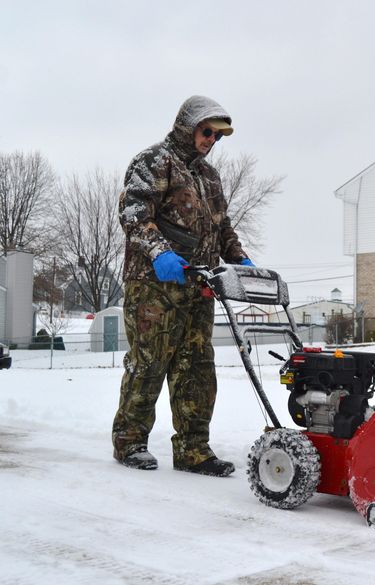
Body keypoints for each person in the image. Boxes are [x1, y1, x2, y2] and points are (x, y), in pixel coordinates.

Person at [112, 95, 255, 477]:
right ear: (187, 126)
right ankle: (129, 442)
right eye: (206, 131)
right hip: (154, 284)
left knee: (197, 367)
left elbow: (221, 226)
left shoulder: (209, 177)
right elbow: (134, 213)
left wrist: (239, 257)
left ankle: (193, 450)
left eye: (218, 136)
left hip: (199, 284)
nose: (211, 140)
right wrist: (159, 252)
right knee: (149, 361)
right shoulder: (154, 161)